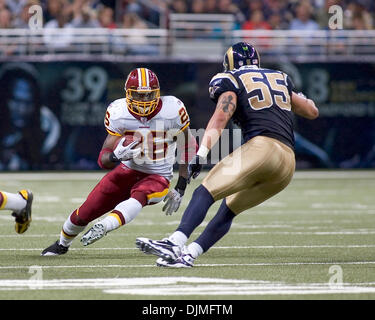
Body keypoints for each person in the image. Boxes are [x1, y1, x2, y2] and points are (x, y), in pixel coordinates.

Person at [136, 42, 319, 268]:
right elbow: (312, 111)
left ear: (229, 65)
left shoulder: (229, 79)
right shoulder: (279, 77)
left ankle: (175, 242)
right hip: (287, 164)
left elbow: (222, 116)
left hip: (261, 148)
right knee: (228, 209)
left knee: (205, 190)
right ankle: (188, 255)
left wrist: (201, 153)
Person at [41, 67, 196, 256]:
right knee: (84, 212)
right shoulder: (119, 112)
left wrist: (181, 185)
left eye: (149, 95)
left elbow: (187, 144)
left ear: (157, 93)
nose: (145, 101)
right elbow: (103, 160)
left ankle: (105, 226)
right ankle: (61, 244)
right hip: (126, 170)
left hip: (158, 175)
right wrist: (116, 156)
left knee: (141, 194)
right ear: (128, 94)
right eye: (139, 95)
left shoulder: (172, 109)